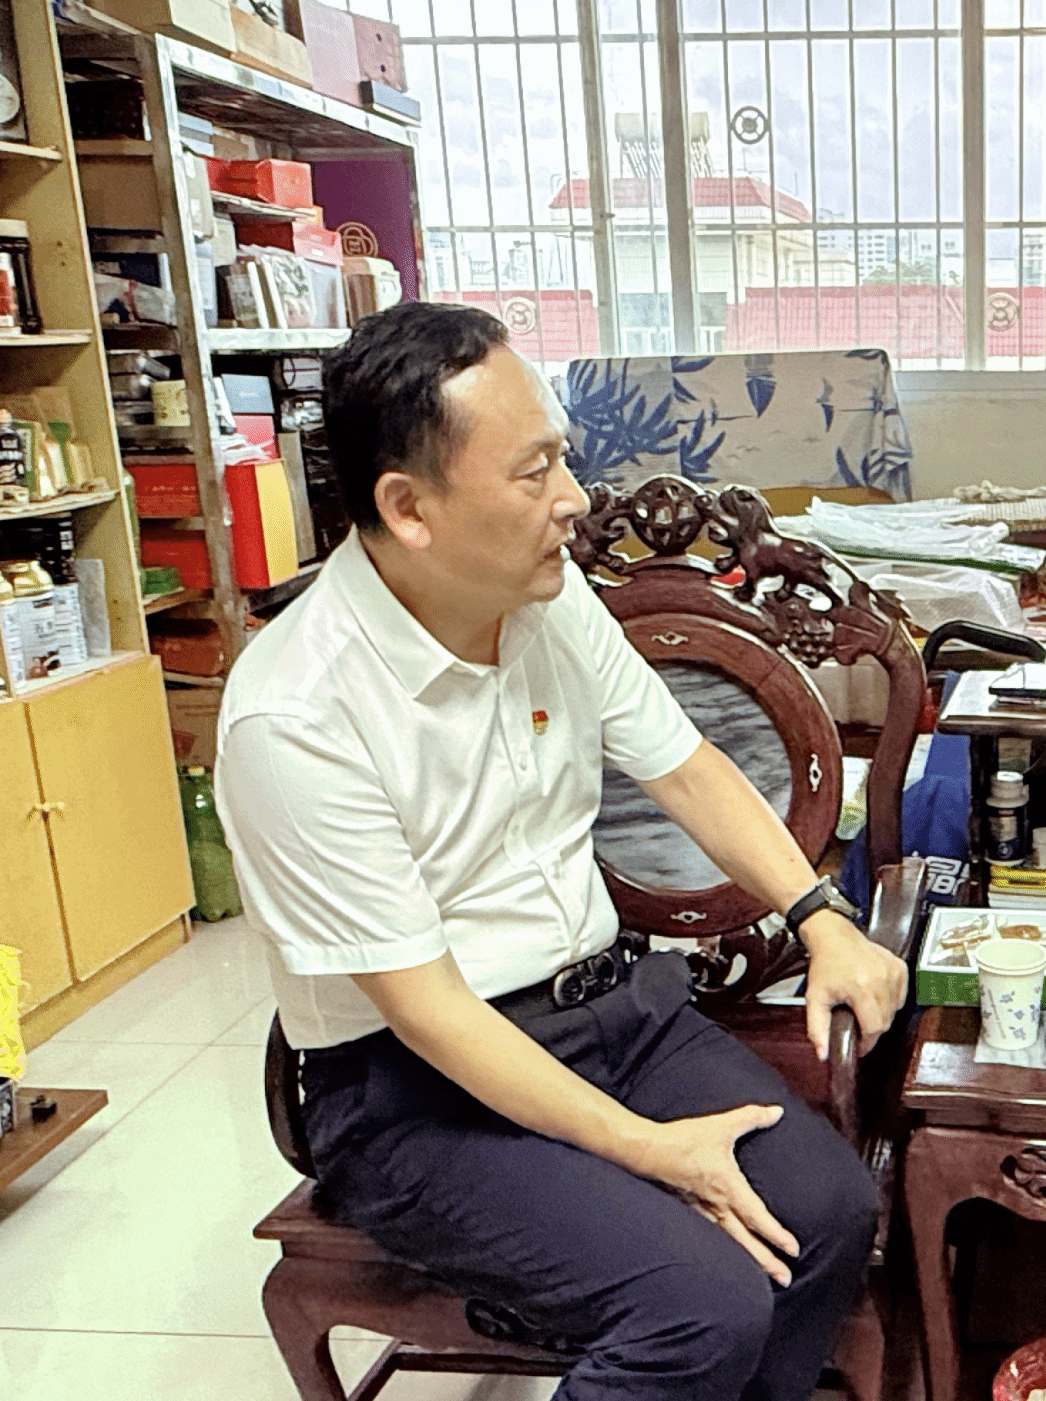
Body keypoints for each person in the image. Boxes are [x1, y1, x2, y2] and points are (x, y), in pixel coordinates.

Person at [216, 302, 908, 1401]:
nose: (574, 499)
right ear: (408, 508)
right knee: (697, 1304)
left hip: (610, 1011)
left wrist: (819, 916)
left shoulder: (543, 594)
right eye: (533, 472)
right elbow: (431, 1013)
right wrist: (649, 1150)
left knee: (826, 1211)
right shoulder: (295, 715)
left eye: (563, 460)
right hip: (414, 1088)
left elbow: (685, 766)